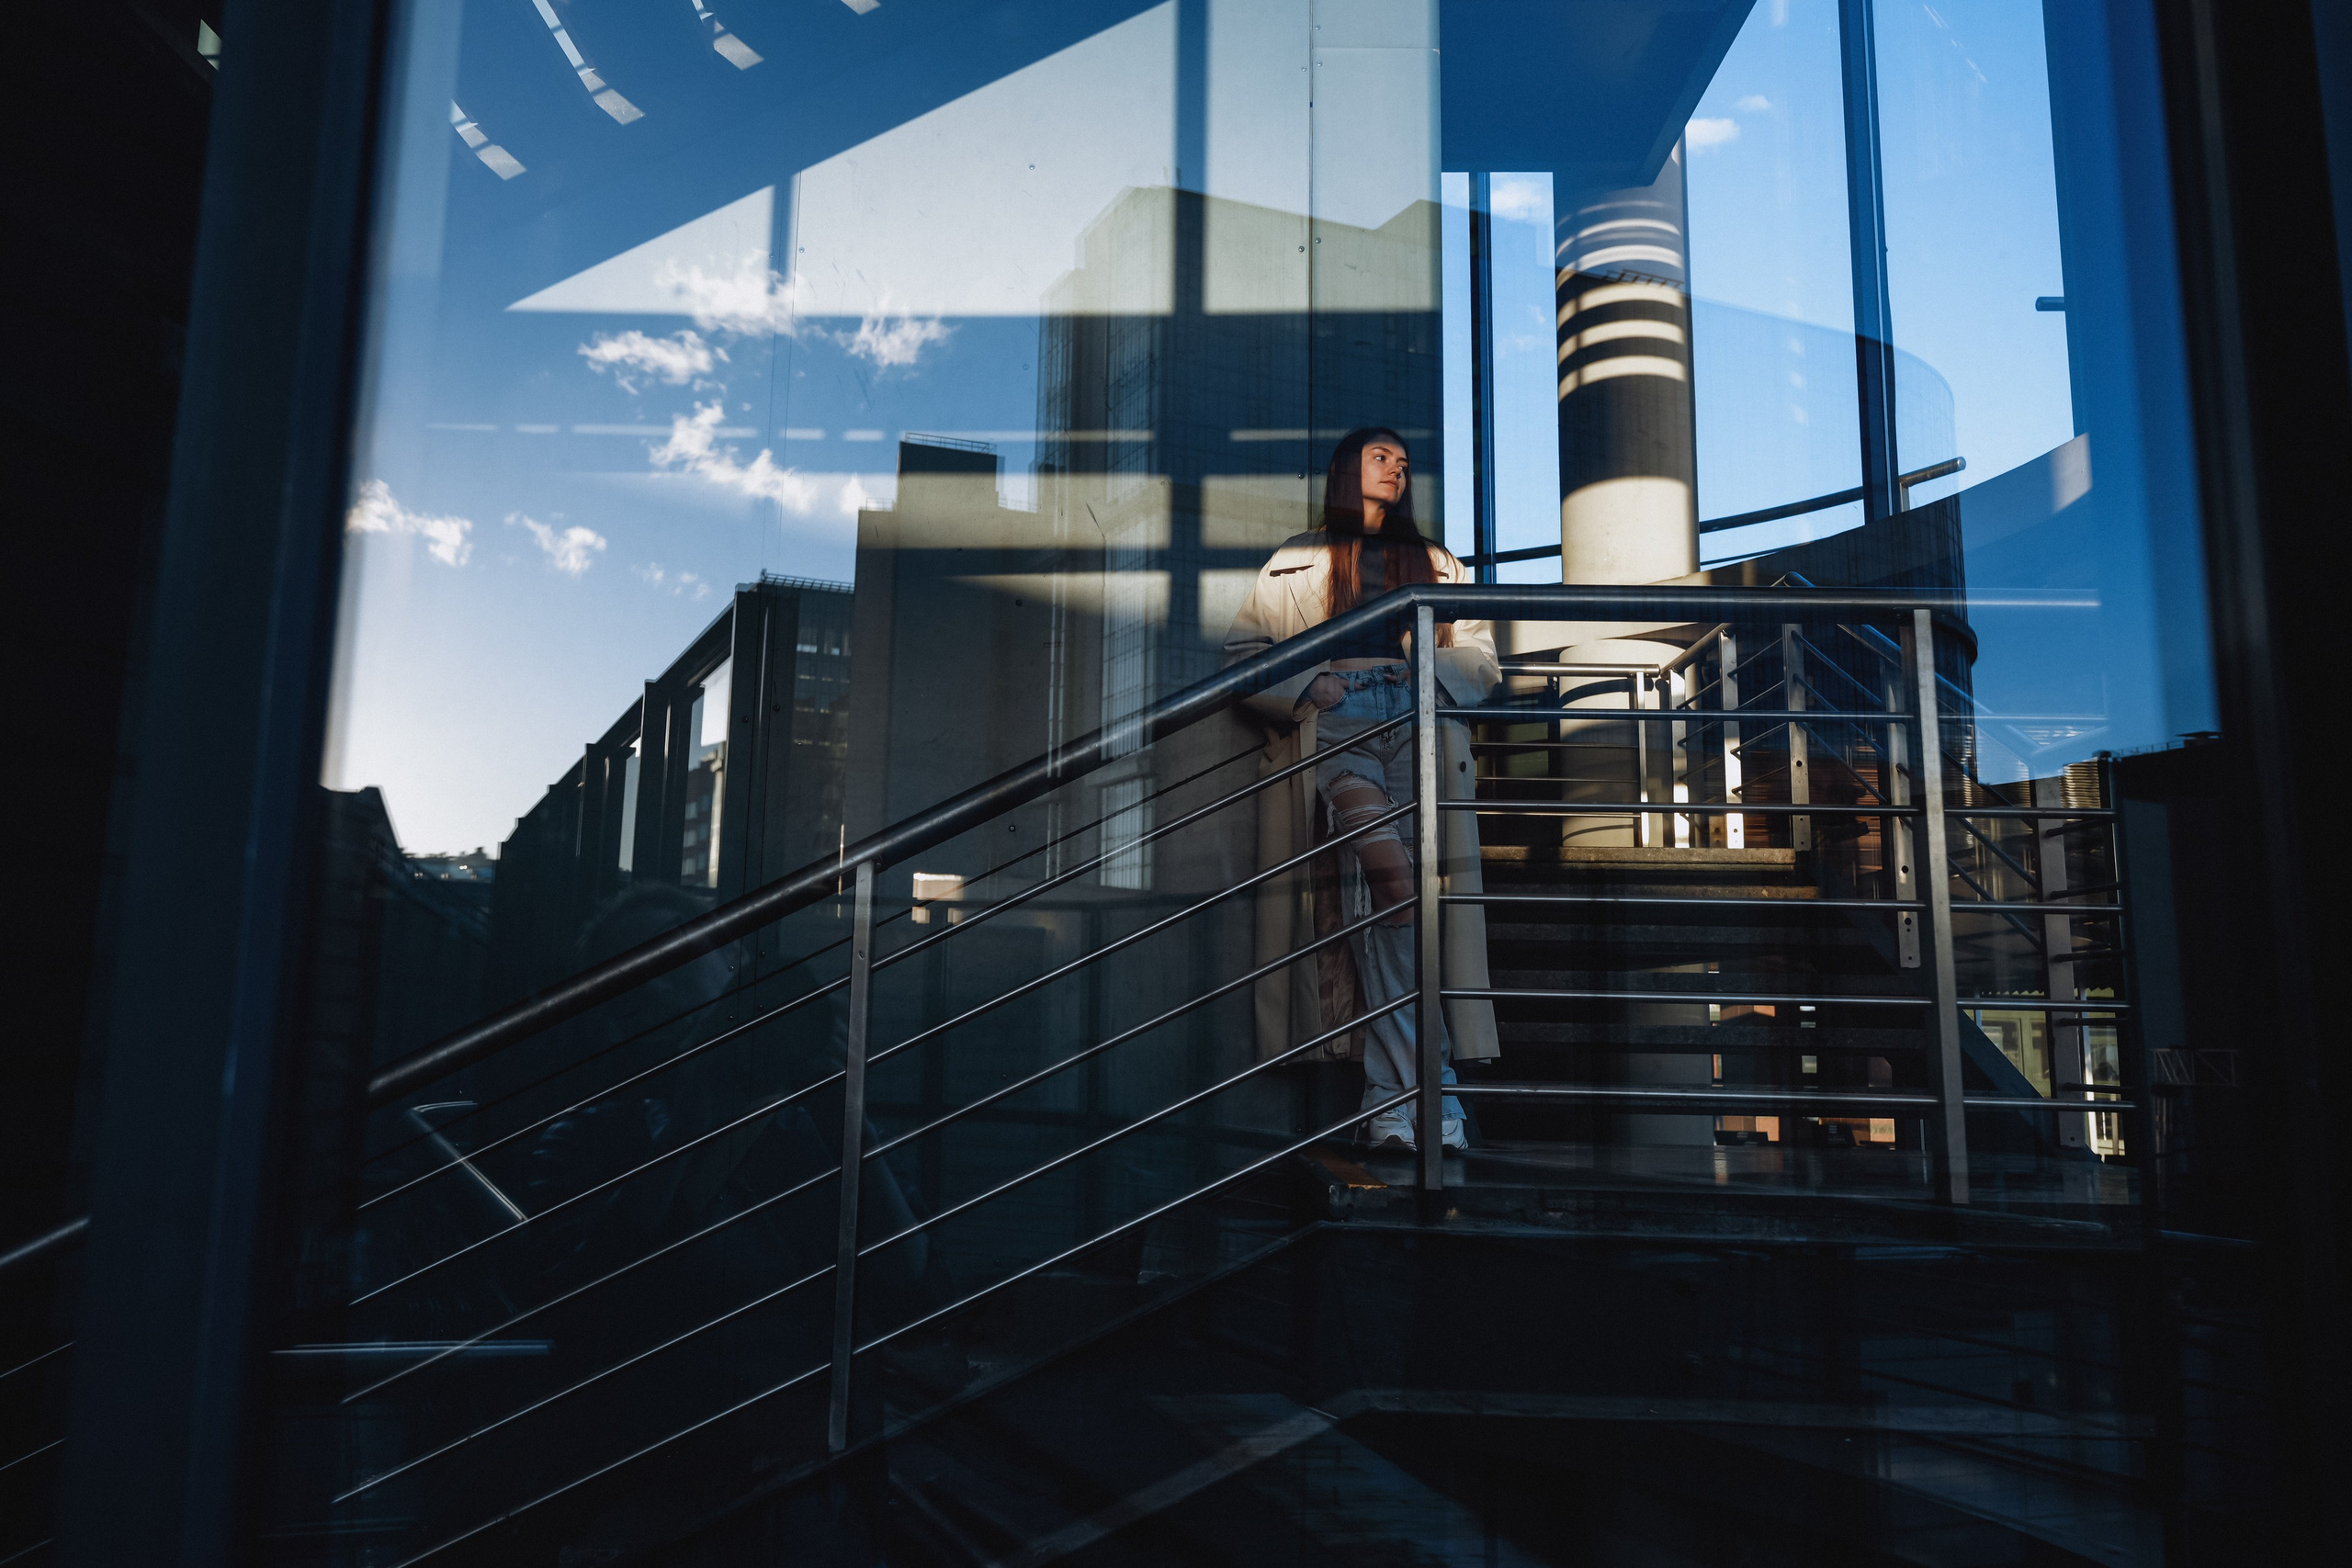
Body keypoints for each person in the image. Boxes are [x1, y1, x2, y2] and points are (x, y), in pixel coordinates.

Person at [1223, 428, 1500, 1152]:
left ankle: (1394, 1103)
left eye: (1404, 463)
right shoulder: (1298, 557)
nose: (1397, 470)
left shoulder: (1435, 560)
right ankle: (1428, 1093)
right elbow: (1244, 657)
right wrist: (1306, 684)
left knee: (1407, 905)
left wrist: (1425, 678)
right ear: (1348, 470)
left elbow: (1481, 656)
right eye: (1382, 458)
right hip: (1340, 718)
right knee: (1395, 887)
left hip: (1416, 713)